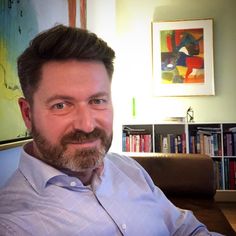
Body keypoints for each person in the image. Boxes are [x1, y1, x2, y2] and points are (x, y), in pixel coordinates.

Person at [0, 25, 222, 236]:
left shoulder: (127, 167)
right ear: (28, 114)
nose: (86, 125)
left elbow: (185, 229)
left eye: (97, 100)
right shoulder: (13, 224)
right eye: (61, 105)